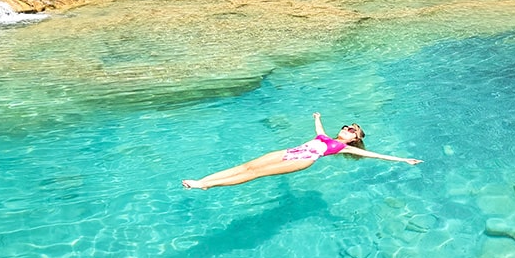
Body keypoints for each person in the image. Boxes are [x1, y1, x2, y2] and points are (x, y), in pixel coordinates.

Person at [181, 113, 422, 190]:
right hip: (289, 151)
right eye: (347, 127)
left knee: (256, 174)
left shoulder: (342, 147)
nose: (348, 130)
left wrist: (403, 160)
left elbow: (374, 155)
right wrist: (318, 117)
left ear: (355, 140)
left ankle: (206, 185)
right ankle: (203, 180)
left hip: (304, 159)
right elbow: (319, 129)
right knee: (247, 166)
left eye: (353, 131)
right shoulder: (326, 137)